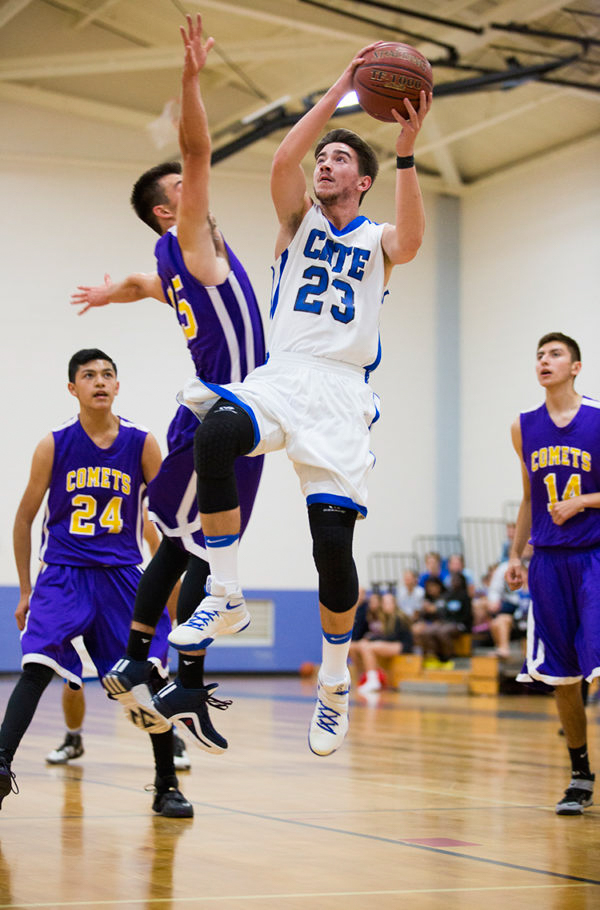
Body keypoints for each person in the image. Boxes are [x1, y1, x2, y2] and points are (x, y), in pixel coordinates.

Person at [166, 39, 432, 757]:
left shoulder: (377, 236)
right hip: (284, 373)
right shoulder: (296, 220)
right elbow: (286, 159)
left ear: (365, 180)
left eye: (342, 159)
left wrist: (407, 151)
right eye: (326, 158)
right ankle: (225, 592)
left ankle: (338, 681)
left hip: (343, 395)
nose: (326, 164)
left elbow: (410, 239)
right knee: (216, 433)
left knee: (332, 551)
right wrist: (343, 83)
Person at [70, 15, 265, 751]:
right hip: (221, 411)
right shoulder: (189, 238)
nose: (196, 186)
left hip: (242, 409)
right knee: (191, 549)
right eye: (183, 188)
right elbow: (194, 146)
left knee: (190, 547)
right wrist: (189, 78)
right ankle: (143, 660)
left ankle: (153, 664)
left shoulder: (180, 262)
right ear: (167, 209)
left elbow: (139, 283)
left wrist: (108, 291)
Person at [0, 350, 191, 817]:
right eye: (89, 376)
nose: (100, 382)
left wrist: (168, 593)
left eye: (108, 375)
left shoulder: (142, 443)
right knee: (37, 667)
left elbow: (164, 525)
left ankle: (166, 784)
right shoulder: (54, 443)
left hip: (122, 577)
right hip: (63, 574)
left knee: (147, 679)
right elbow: (23, 519)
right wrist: (26, 590)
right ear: (73, 389)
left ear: (117, 386)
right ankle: (0, 766)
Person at [506, 332, 600, 816]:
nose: (544, 360)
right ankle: (580, 775)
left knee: (598, 658)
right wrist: (516, 555)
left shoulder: (599, 419)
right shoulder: (524, 427)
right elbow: (527, 497)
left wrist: (583, 501)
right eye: (539, 355)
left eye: (555, 354)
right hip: (548, 562)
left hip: (594, 556)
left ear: (576, 366)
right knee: (563, 675)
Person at [45, 515, 191, 772]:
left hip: (129, 609)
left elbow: (170, 573)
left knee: (149, 682)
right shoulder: (78, 520)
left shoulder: (141, 518)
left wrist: (166, 619)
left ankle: (173, 737)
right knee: (73, 679)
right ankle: (73, 737)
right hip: (86, 600)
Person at [350, 591, 413, 693]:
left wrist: (373, 640)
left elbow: (392, 637)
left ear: (394, 604)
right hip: (393, 643)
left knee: (368, 647)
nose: (385, 605)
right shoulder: (385, 617)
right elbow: (384, 636)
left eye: (388, 603)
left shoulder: (399, 617)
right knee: (361, 646)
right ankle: (363, 677)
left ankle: (373, 680)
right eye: (384, 603)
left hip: (402, 645)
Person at [486, 545, 531, 659]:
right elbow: (494, 590)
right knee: (498, 621)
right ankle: (503, 650)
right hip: (519, 615)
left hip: (534, 617)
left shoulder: (537, 574)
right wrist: (494, 601)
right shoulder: (505, 569)